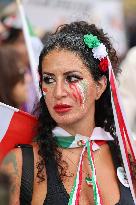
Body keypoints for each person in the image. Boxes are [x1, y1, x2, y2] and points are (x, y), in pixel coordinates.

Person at [0, 21, 135, 205]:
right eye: (49, 79)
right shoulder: (20, 165)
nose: (58, 92)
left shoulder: (129, 156)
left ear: (100, 86)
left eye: (72, 78)